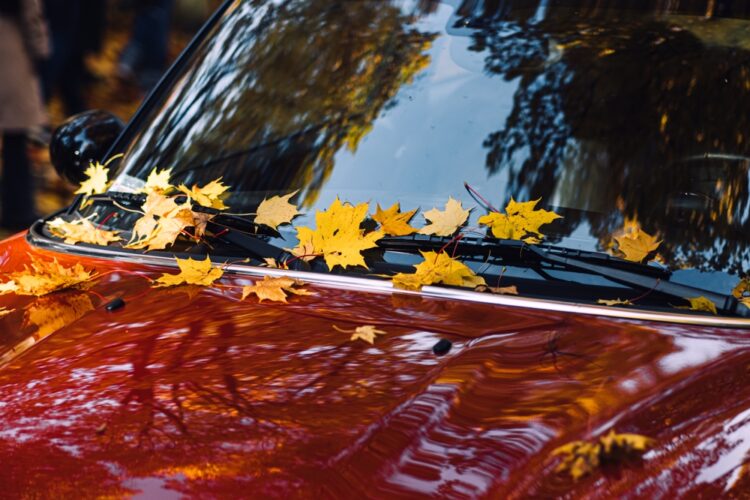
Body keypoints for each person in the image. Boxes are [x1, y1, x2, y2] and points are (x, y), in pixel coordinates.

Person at [0, 0, 49, 231]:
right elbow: (31, 14)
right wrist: (41, 48)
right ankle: (19, 209)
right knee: (16, 141)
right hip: (10, 51)